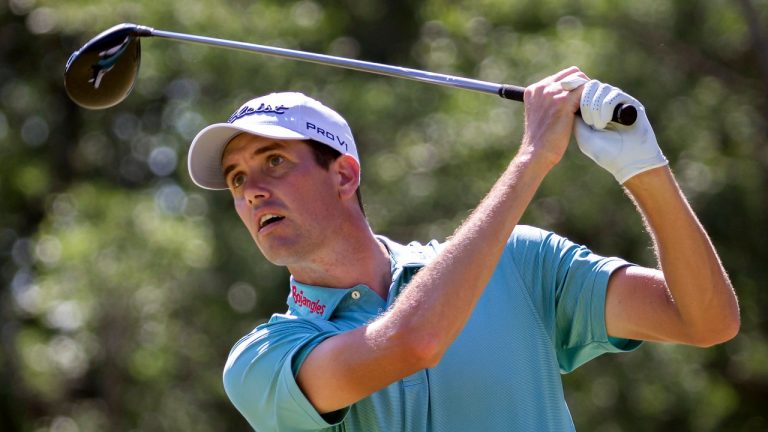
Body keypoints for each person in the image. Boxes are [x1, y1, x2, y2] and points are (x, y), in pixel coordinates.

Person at [186, 66, 740, 431]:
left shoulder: (519, 264)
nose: (252, 189)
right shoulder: (262, 359)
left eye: (274, 162)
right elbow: (414, 340)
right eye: (235, 179)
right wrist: (531, 159)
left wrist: (642, 168)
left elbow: (706, 320)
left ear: (344, 175)